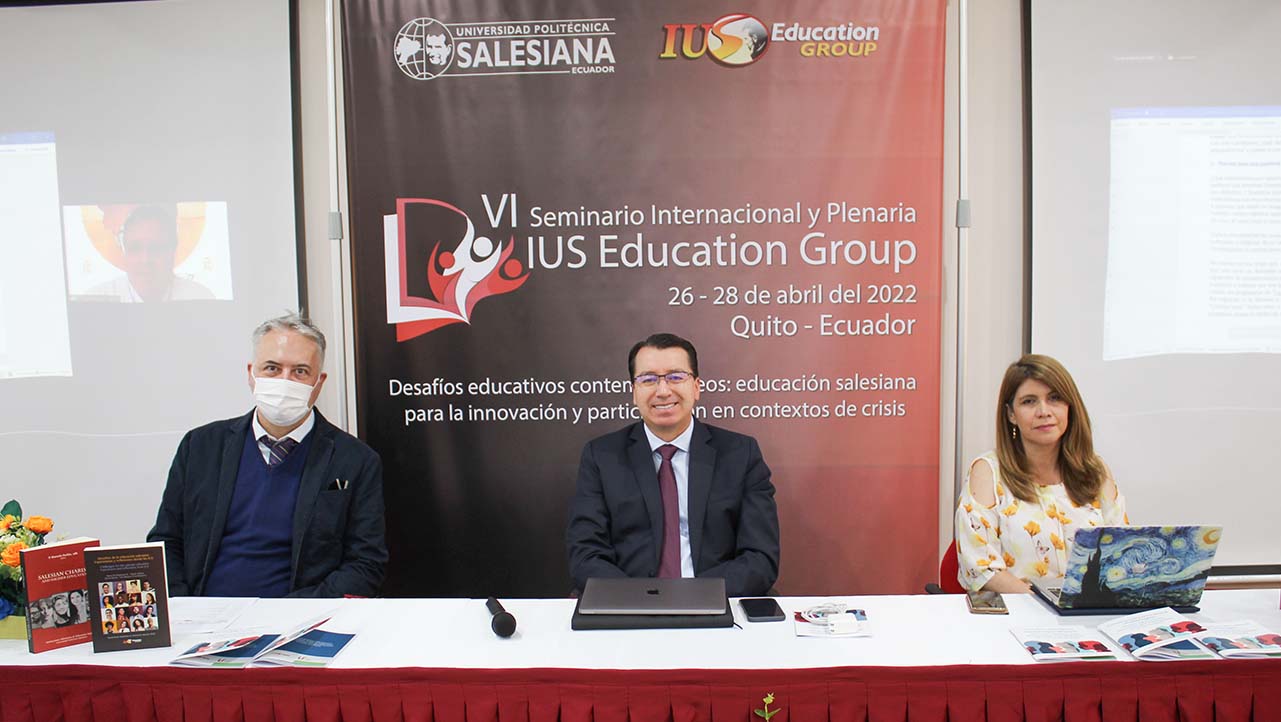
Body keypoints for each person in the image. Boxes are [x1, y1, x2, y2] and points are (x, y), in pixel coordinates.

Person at [147, 312, 387, 598]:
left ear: (318, 382)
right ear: (251, 374)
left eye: (300, 371)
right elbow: (166, 542)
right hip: (203, 621)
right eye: (272, 368)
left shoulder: (355, 460)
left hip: (299, 623)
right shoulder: (200, 447)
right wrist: (184, 610)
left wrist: (290, 614)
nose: (285, 381)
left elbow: (365, 565)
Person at [566, 333, 780, 597]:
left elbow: (760, 558)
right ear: (634, 392)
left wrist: (694, 596)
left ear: (696, 387)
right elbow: (585, 555)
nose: (663, 390)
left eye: (676, 377)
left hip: (715, 605)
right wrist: (645, 599)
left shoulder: (740, 454)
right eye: (648, 379)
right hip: (629, 608)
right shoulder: (601, 456)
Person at [955, 354, 1127, 593]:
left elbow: (1120, 553)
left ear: (1070, 407)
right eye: (1029, 401)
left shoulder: (1095, 471)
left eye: (1055, 398)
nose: (1044, 411)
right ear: (1011, 414)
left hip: (1090, 617)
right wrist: (1049, 605)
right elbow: (980, 569)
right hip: (1020, 617)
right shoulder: (988, 472)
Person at [85, 205, 215, 302]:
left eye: (156, 248)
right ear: (124, 253)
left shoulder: (200, 298)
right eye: (135, 248)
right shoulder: (97, 299)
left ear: (172, 251)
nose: (145, 259)